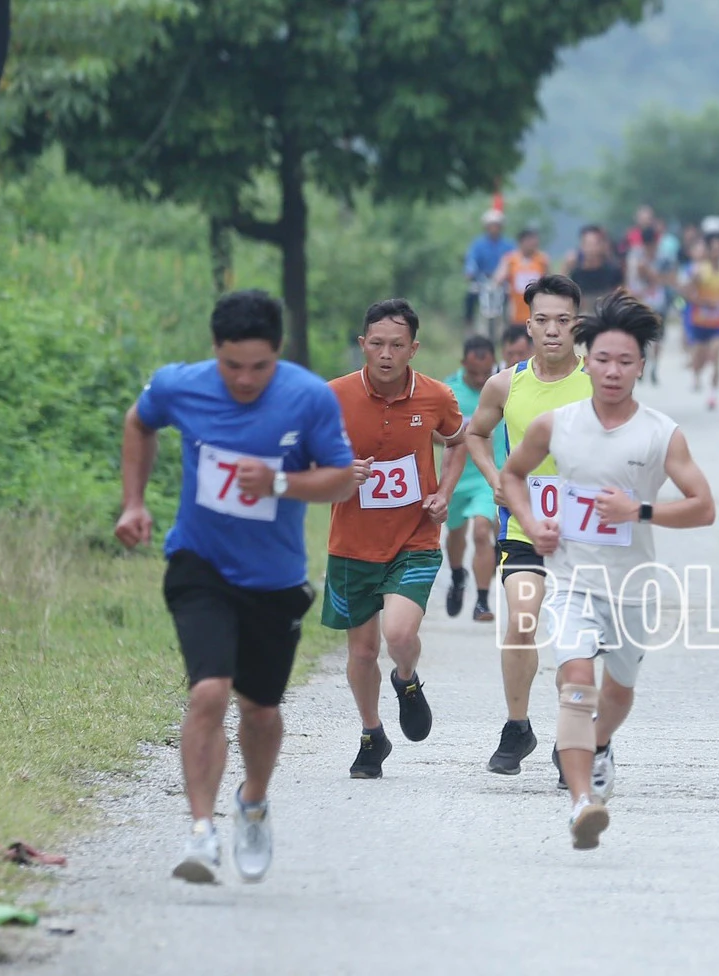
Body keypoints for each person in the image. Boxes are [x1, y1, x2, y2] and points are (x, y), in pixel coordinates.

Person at [114, 290, 356, 883]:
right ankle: (201, 832)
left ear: (278, 354)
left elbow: (343, 480)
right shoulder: (179, 385)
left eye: (259, 366)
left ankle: (253, 803)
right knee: (209, 692)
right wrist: (134, 502)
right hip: (200, 564)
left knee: (261, 710)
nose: (245, 379)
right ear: (214, 352)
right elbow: (139, 422)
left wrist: (278, 482)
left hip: (273, 580)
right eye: (232, 365)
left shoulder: (308, 398)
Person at [499, 291, 716, 850]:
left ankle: (599, 746)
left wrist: (638, 510)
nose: (613, 371)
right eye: (602, 359)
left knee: (617, 693)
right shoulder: (556, 425)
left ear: (642, 366)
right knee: (575, 682)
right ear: (586, 357)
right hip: (571, 580)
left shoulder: (660, 434)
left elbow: (703, 506)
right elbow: (512, 474)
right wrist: (532, 523)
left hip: (632, 586)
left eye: (625, 361)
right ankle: (581, 804)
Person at [323, 300, 465, 780]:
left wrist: (444, 492)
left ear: (413, 348)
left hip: (415, 538)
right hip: (351, 543)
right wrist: (340, 473)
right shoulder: (334, 397)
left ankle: (406, 679)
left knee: (399, 634)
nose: (386, 354)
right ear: (363, 345)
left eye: (397, 345)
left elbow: (459, 440)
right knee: (361, 652)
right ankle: (371, 733)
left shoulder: (436, 396)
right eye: (377, 344)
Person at [463, 274, 594, 776]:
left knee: (574, 639)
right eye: (543, 321)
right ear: (529, 325)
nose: (553, 330)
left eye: (563, 321)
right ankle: (517, 726)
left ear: (577, 325)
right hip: (523, 525)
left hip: (584, 534)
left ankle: (573, 737)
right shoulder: (506, 383)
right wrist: (497, 478)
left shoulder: (597, 380)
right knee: (521, 619)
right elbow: (476, 434)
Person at [443, 334, 507, 622]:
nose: (481, 378)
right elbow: (432, 431)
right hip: (456, 475)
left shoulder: (503, 388)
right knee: (456, 533)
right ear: (462, 364)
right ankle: (458, 576)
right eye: (474, 372)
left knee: (482, 531)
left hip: (487, 474)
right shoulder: (448, 391)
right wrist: (461, 435)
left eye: (486, 371)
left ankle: (482, 601)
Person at [679, 230, 719, 410]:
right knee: (699, 358)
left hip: (718, 324)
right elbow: (687, 293)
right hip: (700, 321)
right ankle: (696, 374)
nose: (717, 253)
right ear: (708, 252)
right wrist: (704, 302)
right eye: (714, 249)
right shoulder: (699, 271)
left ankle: (713, 395)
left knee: (716, 355)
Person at [624, 225, 669, 385]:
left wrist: (648, 271)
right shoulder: (635, 256)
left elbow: (666, 278)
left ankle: (654, 367)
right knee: (640, 337)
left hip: (658, 302)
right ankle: (642, 364)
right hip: (640, 301)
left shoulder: (663, 257)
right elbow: (631, 278)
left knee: (657, 338)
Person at [464, 210, 516, 327]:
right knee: (470, 297)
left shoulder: (508, 245)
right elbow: (471, 260)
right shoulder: (478, 244)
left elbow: (514, 260)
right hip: (482, 281)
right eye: (491, 225)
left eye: (497, 225)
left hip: (503, 283)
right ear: (486, 227)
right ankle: (469, 324)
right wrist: (469, 272)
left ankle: (509, 325)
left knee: (511, 298)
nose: (494, 228)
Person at [495, 227, 550, 330]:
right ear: (522, 241)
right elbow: (498, 279)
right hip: (515, 307)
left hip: (536, 306)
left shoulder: (542, 260)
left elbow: (549, 280)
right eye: (530, 241)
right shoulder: (510, 260)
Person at [563, 225, 625, 309]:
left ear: (602, 245)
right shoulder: (576, 274)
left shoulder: (613, 272)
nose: (590, 249)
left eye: (594, 244)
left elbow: (622, 296)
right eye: (587, 244)